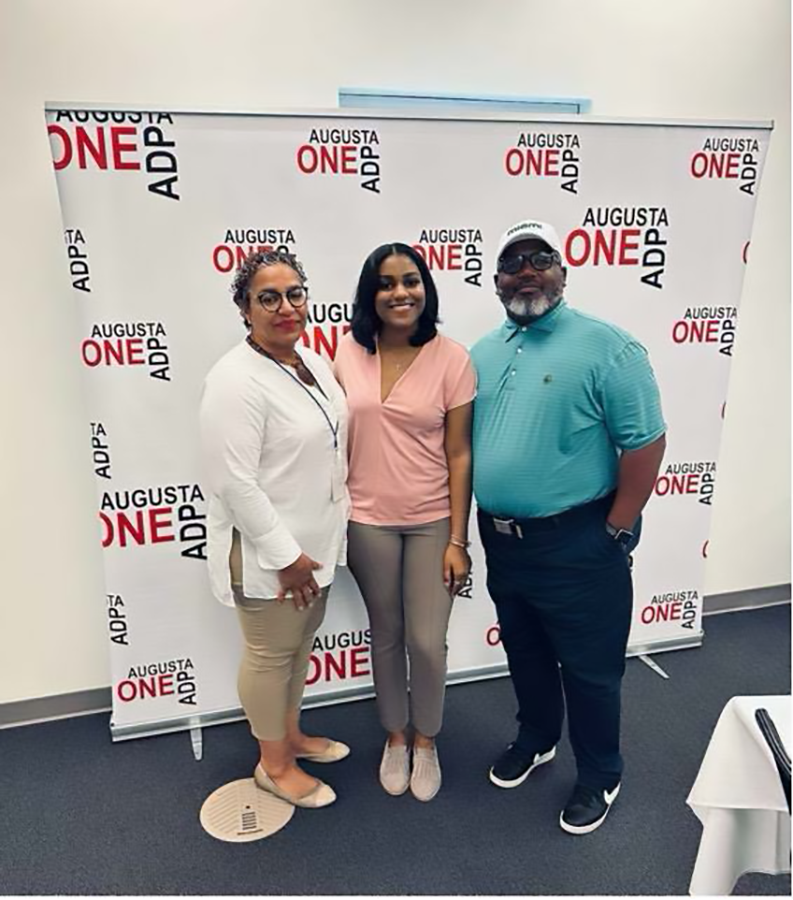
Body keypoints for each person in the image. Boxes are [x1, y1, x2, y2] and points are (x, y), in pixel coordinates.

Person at [471, 219, 666, 834]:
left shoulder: (610, 347)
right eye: (513, 261)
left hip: (581, 541)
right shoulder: (483, 350)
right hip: (504, 542)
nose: (526, 269)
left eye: (540, 257)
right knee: (525, 652)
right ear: (497, 279)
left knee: (589, 668)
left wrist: (614, 530)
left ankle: (600, 774)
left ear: (563, 268)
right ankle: (537, 739)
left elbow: (646, 444)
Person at [199, 249, 351, 809]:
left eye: (294, 294)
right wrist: (285, 556)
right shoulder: (234, 381)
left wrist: (316, 545)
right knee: (269, 655)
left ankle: (289, 736)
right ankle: (273, 765)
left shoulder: (308, 359)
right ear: (245, 309)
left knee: (296, 649)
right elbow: (234, 482)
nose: (285, 307)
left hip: (315, 545)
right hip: (271, 554)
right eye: (268, 297)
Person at [334, 242, 475, 802]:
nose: (400, 293)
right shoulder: (347, 352)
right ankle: (395, 737)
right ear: (371, 293)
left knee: (427, 640)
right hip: (365, 518)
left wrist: (458, 539)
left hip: (430, 520)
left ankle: (426, 739)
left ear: (426, 287)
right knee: (387, 634)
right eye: (387, 283)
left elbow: (460, 453)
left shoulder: (453, 359)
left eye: (411, 281)